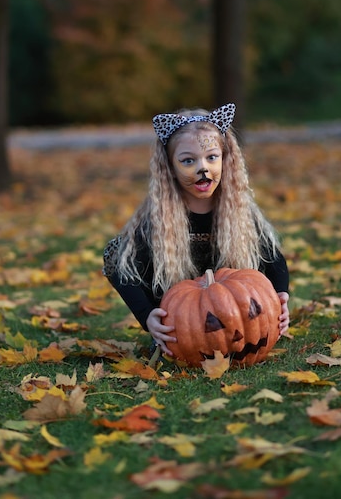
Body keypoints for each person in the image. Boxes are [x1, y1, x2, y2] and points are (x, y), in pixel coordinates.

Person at [103, 103, 289, 357]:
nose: (203, 168)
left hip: (235, 312)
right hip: (184, 324)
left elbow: (274, 257)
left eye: (212, 157)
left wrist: (280, 297)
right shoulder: (159, 219)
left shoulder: (238, 213)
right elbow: (116, 261)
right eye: (188, 160)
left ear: (226, 159)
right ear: (169, 167)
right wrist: (147, 316)